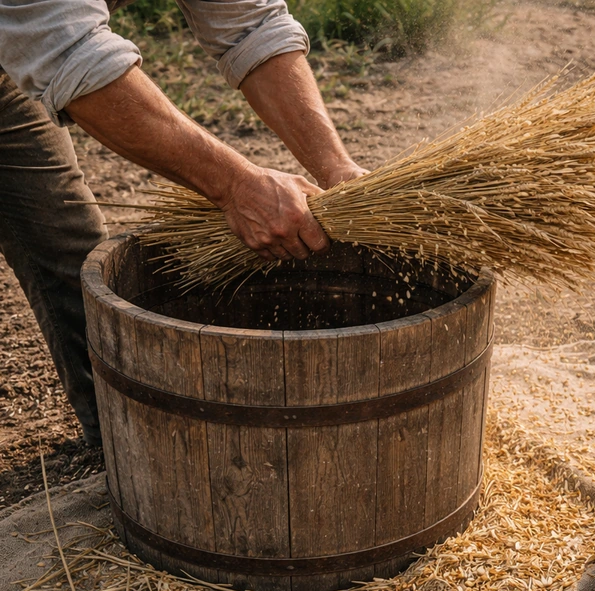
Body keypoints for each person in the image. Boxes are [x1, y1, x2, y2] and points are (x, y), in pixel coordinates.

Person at [0, 0, 367, 446]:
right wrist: (236, 187)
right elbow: (73, 55)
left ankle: (124, 436)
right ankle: (126, 450)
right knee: (59, 235)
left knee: (72, 253)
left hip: (17, 43)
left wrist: (336, 167)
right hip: (30, 34)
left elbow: (251, 24)